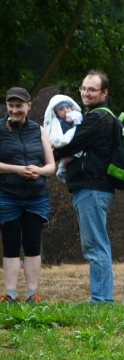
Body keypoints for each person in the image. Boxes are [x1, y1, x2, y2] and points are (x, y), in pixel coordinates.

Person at [53, 70, 120, 303]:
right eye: (83, 88)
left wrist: (48, 152)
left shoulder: (97, 118)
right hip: (92, 188)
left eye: (92, 89)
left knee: (95, 246)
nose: (86, 93)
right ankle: (101, 297)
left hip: (92, 188)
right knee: (95, 244)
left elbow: (69, 146)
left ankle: (101, 299)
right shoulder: (94, 116)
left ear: (104, 93)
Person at [0, 87, 55, 304]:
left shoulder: (39, 130)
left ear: (28, 106)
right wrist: (17, 170)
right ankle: (10, 294)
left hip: (36, 196)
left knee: (33, 245)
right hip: (8, 196)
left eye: (19, 106)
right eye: (11, 106)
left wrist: (38, 171)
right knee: (11, 245)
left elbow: (51, 166)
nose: (15, 110)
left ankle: (33, 294)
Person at [42, 94, 83, 182]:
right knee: (74, 154)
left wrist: (75, 119)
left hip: (72, 145)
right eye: (61, 109)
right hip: (64, 143)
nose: (66, 111)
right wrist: (68, 123)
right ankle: (62, 166)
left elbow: (79, 122)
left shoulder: (75, 115)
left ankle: (62, 167)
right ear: (56, 113)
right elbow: (56, 133)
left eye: (67, 107)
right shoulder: (57, 122)